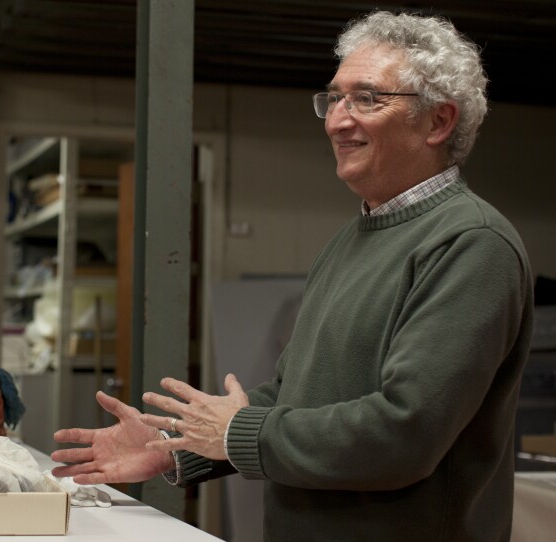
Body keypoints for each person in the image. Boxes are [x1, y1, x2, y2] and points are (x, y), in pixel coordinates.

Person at [51, 10, 533, 541]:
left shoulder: (471, 244)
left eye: (367, 99)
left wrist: (238, 432)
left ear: (439, 122)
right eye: (335, 98)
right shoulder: (351, 240)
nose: (337, 120)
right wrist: (178, 446)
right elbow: (290, 396)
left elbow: (405, 432)